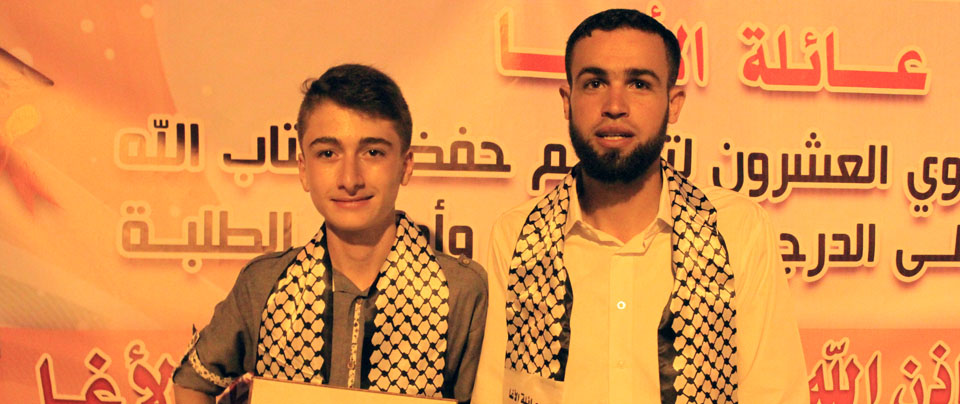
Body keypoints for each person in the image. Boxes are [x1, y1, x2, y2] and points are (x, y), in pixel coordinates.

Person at [473, 9, 809, 404]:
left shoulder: (737, 231)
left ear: (674, 104)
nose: (615, 105)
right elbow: (496, 393)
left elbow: (776, 394)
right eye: (595, 83)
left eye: (639, 84)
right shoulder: (519, 237)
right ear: (567, 101)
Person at [172, 64, 487, 403]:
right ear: (303, 169)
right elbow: (191, 382)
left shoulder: (460, 292)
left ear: (405, 165)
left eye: (373, 152)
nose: (350, 179)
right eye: (328, 154)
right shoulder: (265, 286)